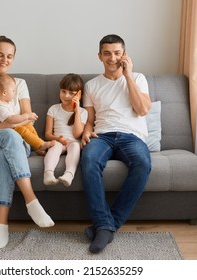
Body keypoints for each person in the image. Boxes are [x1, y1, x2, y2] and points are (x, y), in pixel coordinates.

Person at [0, 35, 54, 250]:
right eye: (0, 54)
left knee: (4, 150)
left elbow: (27, 115)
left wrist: (6, 124)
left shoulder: (20, 84)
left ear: (13, 59)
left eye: (9, 56)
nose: (4, 59)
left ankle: (1, 227)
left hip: (17, 139)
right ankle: (31, 201)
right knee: (7, 138)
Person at [80, 34, 152, 253]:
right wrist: (85, 131)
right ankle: (105, 225)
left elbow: (142, 110)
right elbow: (90, 120)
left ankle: (106, 227)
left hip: (132, 136)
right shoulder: (92, 85)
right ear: (99, 56)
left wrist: (128, 75)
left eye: (117, 53)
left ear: (124, 55)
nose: (112, 58)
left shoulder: (138, 78)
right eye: (107, 53)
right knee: (89, 159)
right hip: (102, 136)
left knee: (142, 164)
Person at [0, 73, 55, 156]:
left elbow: (11, 122)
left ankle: (37, 146)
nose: (14, 93)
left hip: (7, 127)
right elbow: (11, 119)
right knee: (21, 130)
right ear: (4, 93)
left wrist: (26, 120)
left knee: (29, 126)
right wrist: (26, 116)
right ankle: (41, 144)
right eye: (13, 91)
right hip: (0, 132)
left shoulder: (3, 100)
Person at [43, 73, 88, 187]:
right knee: (55, 146)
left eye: (71, 93)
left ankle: (69, 175)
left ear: (79, 94)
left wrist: (76, 111)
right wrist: (58, 139)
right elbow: (48, 134)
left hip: (73, 142)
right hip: (58, 141)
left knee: (75, 146)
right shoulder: (53, 109)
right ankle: (48, 174)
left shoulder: (83, 112)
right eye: (63, 91)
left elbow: (77, 134)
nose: (66, 96)